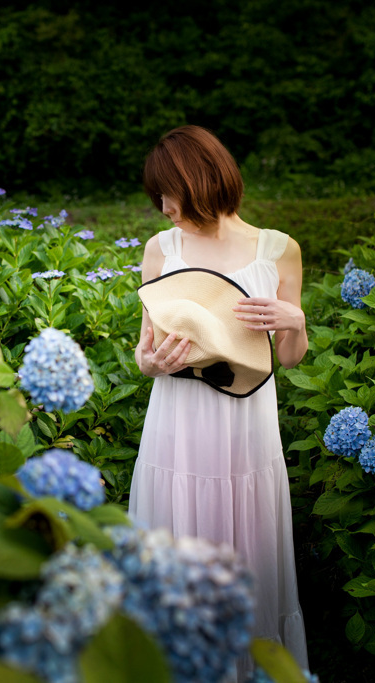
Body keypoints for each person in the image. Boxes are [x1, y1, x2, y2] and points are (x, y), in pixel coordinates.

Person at [129, 125, 310, 677]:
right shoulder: (162, 249)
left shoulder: (278, 249)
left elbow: (290, 358)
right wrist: (153, 364)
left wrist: (295, 322)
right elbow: (143, 354)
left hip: (246, 429)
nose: (163, 208)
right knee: (177, 543)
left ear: (200, 181)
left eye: (169, 193)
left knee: (245, 547)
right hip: (177, 424)